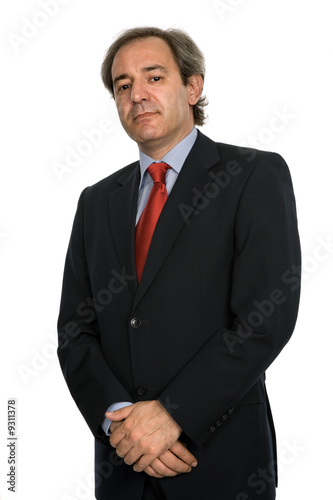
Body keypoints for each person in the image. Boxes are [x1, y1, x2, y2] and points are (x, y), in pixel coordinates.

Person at [57, 27, 301, 500]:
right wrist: (121, 426)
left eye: (154, 77)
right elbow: (75, 332)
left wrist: (172, 416)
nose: (138, 95)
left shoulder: (253, 175)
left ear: (192, 87)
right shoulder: (95, 202)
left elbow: (263, 319)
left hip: (220, 463)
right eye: (123, 85)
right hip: (123, 468)